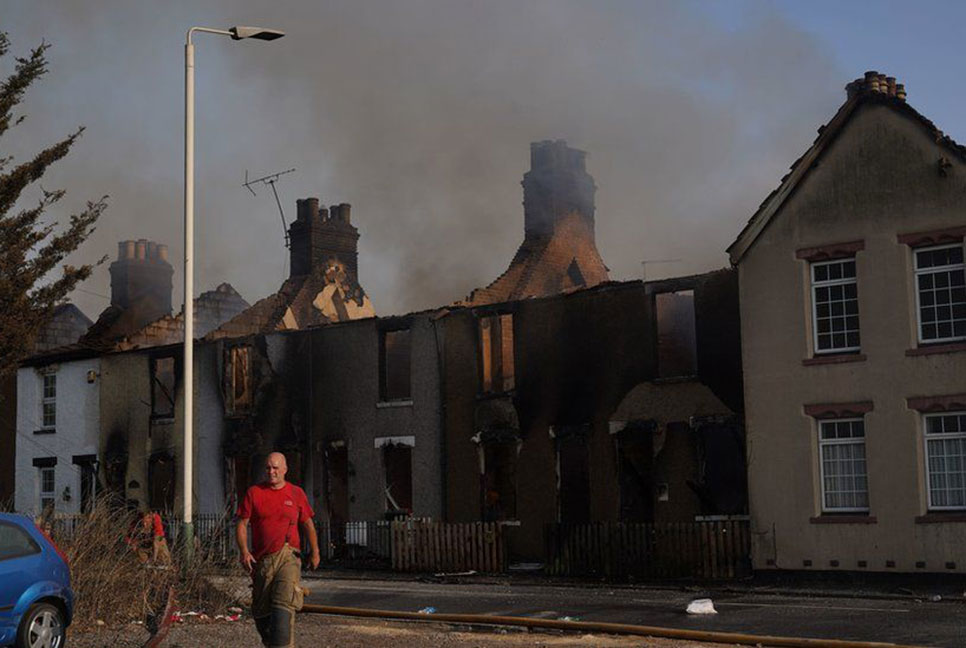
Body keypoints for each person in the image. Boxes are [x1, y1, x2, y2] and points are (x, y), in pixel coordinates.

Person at [236, 452, 320, 648]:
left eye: (275, 468)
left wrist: (315, 551)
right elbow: (242, 524)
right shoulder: (254, 493)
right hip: (263, 561)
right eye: (268, 468)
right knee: (262, 614)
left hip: (288, 556)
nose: (271, 472)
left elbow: (308, 524)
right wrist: (244, 551)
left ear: (284, 469)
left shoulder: (296, 493)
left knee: (283, 607)